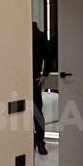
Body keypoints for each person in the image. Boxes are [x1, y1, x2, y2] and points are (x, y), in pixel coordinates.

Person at [32, 21, 56, 156]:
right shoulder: (39, 35)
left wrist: (45, 74)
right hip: (33, 77)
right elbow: (49, 56)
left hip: (32, 78)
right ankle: (39, 142)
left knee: (34, 111)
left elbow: (48, 56)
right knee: (36, 111)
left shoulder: (38, 36)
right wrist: (45, 74)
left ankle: (39, 141)